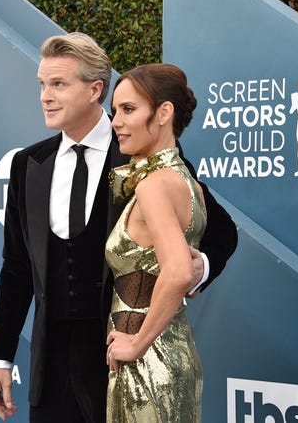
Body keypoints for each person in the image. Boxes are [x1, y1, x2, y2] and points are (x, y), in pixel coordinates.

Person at [0, 33, 237, 423]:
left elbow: (221, 230)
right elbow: (16, 268)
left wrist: (198, 267)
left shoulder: (143, 154)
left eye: (58, 84)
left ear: (94, 90)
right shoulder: (28, 165)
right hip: (50, 368)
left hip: (121, 359)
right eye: (42, 85)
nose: (45, 96)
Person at [105, 63, 207, 422]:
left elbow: (178, 272)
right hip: (174, 356)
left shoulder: (154, 185)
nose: (116, 121)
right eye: (115, 110)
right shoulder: (189, 184)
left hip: (147, 369)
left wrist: (137, 343)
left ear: (164, 113)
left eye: (128, 109)